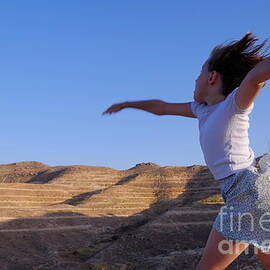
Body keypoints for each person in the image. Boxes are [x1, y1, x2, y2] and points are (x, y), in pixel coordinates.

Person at [102, 32, 270, 269]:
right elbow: (161, 107)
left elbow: (254, 79)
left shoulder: (234, 105)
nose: (194, 80)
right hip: (247, 193)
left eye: (199, 73)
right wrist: (128, 104)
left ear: (212, 77)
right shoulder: (202, 110)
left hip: (245, 191)